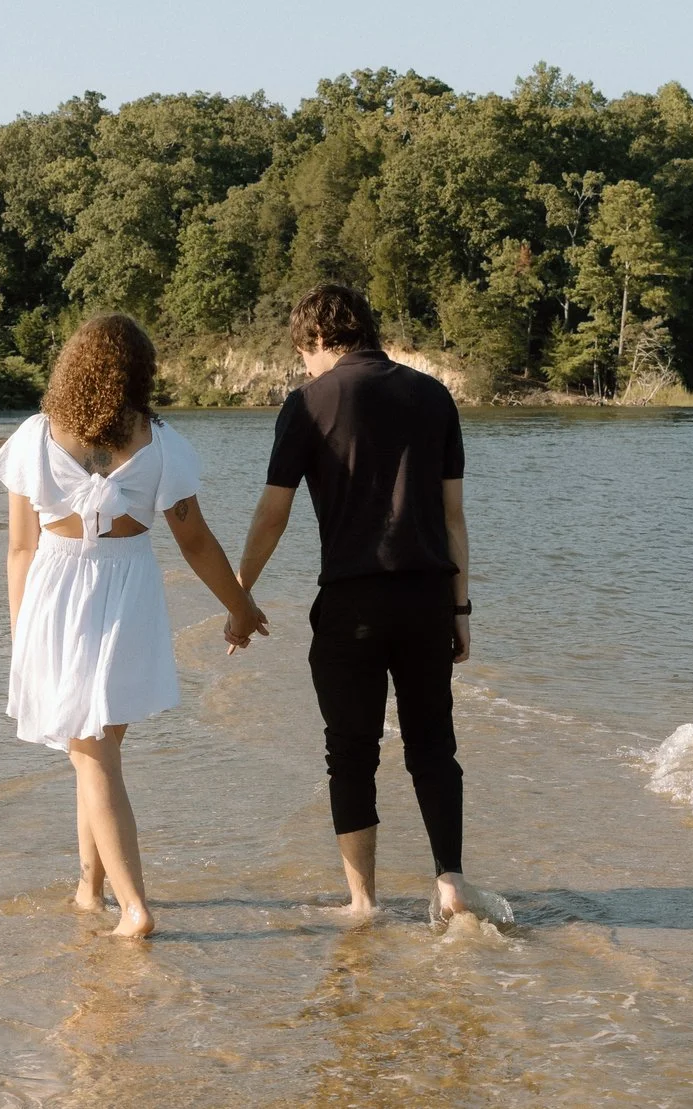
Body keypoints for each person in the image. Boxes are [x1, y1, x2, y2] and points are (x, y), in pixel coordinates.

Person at [0, 314, 269, 939]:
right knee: (94, 749)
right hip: (128, 590)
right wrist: (239, 606)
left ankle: (135, 909)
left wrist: (21, 633)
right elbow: (194, 541)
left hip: (55, 592)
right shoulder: (160, 441)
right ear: (140, 371)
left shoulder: (37, 437)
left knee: (92, 754)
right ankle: (90, 888)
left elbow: (19, 550)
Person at [236, 284, 494, 924]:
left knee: (350, 751)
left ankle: (363, 903)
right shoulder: (434, 396)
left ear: (316, 339)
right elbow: (453, 517)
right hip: (430, 595)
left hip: (352, 602)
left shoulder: (307, 403)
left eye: (304, 353)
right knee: (433, 744)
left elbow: (273, 515)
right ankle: (452, 882)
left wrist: (239, 593)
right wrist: (461, 610)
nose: (306, 366)